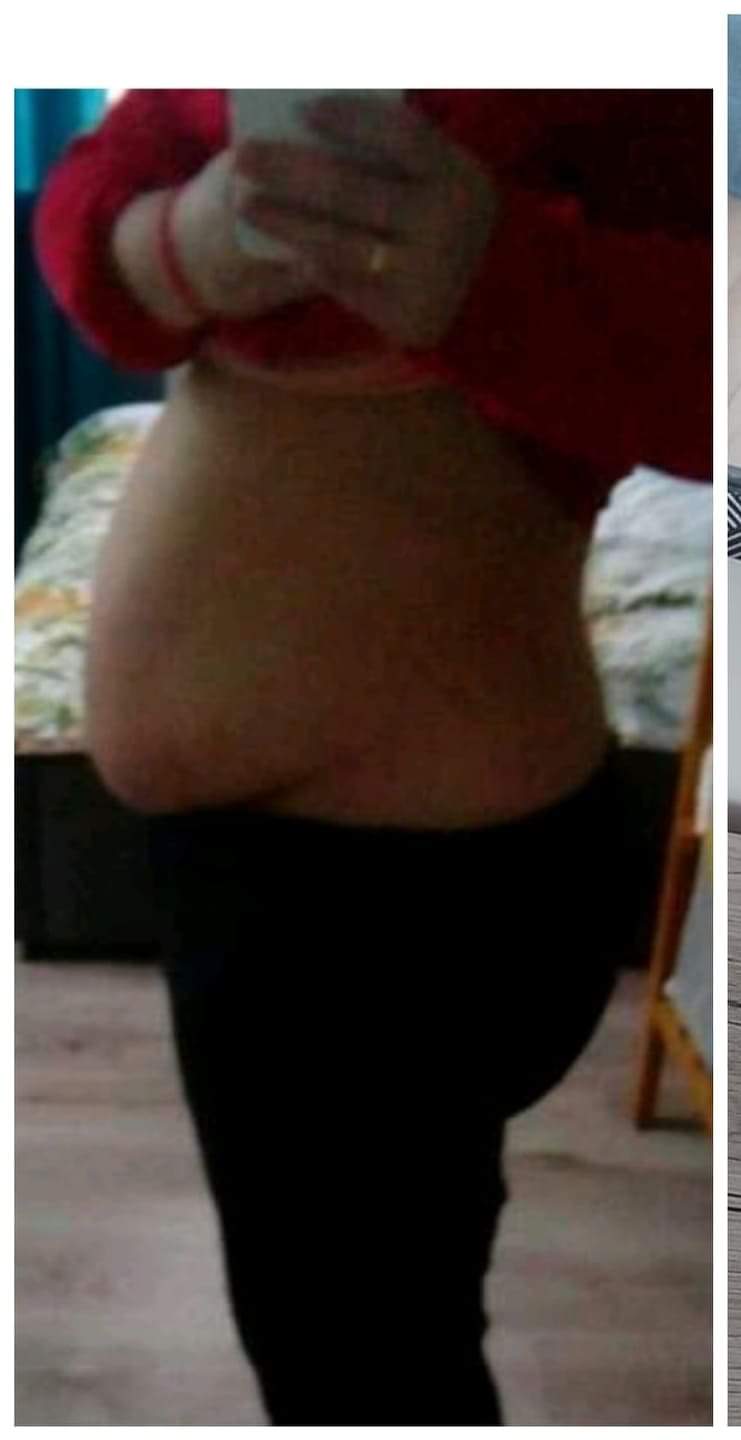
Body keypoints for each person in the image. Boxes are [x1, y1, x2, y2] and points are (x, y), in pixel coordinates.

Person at [34, 89, 711, 1424]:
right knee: (367, 1342)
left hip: (411, 891)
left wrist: (493, 276)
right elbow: (91, 198)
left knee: (360, 1374)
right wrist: (174, 243)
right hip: (280, 874)